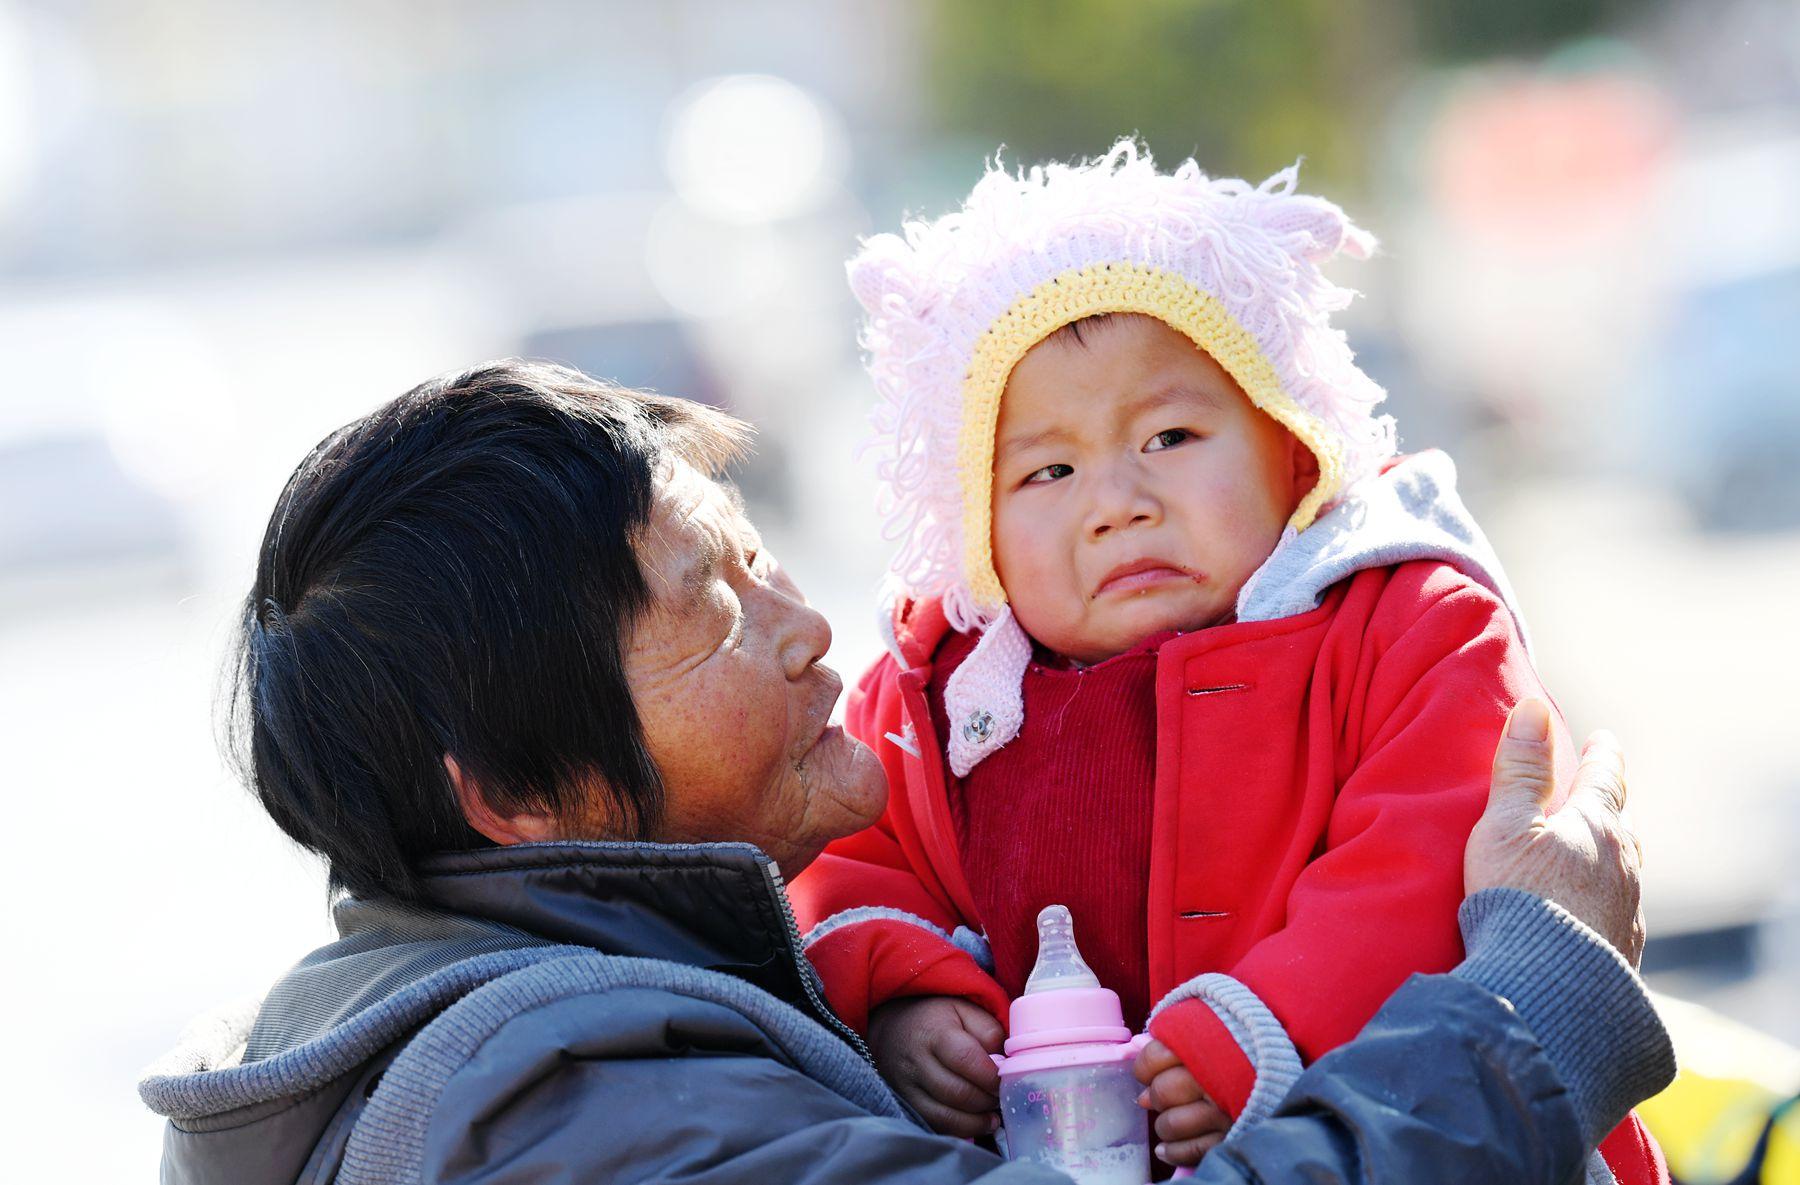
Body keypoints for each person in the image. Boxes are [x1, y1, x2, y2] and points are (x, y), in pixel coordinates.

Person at [138, 362, 1675, 1184]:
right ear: (520, 798)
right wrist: (1530, 1003)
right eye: (720, 611)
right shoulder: (572, 1120)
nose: (819, 632)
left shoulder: (522, 1039)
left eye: (773, 563)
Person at [787, 140, 1665, 1180]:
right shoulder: (941, 691)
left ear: (1291, 441)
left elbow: (1427, 858)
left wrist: (1265, 1029)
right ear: (973, 515)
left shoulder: (1408, 623)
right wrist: (910, 992)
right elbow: (852, 859)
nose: (1119, 502)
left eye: (1169, 437)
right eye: (1049, 469)